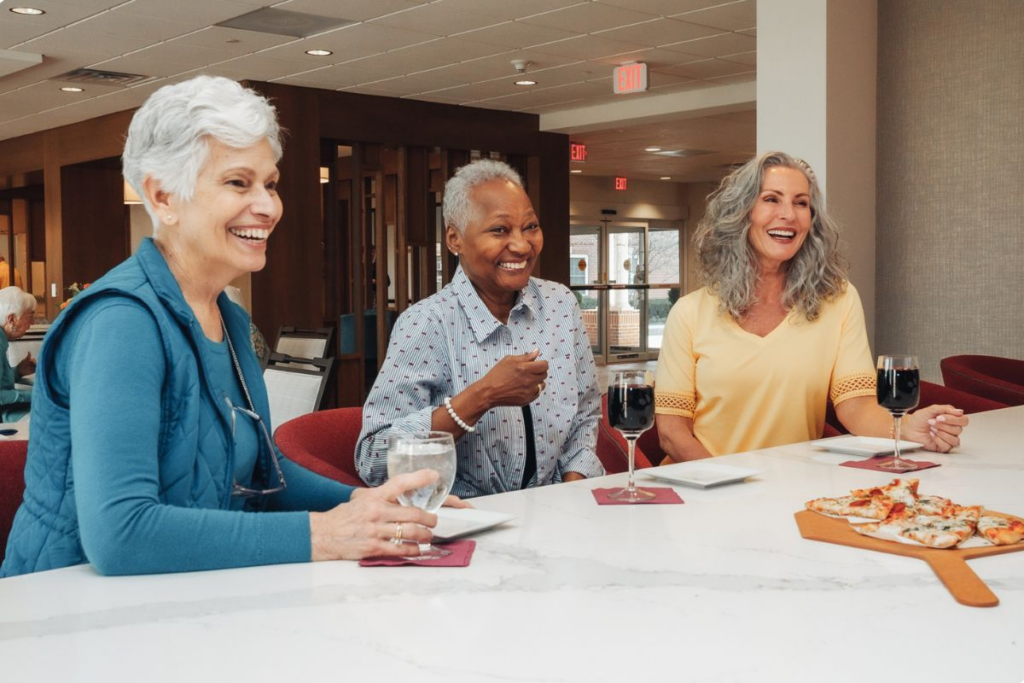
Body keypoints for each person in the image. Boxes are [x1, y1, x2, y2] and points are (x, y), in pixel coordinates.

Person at [1, 76, 457, 579]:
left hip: (191, 604)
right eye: (239, 182)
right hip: (68, 622)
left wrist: (371, 505)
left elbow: (263, 479)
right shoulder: (120, 323)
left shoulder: (231, 319)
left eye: (271, 183)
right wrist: (324, 535)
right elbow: (121, 535)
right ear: (163, 196)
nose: (268, 206)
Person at [654, 151, 967, 461]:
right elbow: (672, 433)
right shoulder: (689, 313)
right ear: (741, 213)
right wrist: (727, 485)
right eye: (771, 199)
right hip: (704, 492)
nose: (789, 214)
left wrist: (907, 428)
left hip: (796, 490)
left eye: (801, 203)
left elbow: (855, 406)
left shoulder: (839, 300)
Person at [356, 159, 604, 497]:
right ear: (455, 239)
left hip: (559, 512)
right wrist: (483, 395)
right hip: (465, 521)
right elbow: (374, 458)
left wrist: (570, 493)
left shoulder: (560, 303)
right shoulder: (427, 322)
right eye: (500, 230)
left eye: (530, 226)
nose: (521, 245)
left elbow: (586, 414)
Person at [0, 286, 36, 422]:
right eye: (30, 316)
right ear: (12, 319)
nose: (32, 323)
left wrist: (18, 372)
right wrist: (37, 395)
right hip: (5, 415)